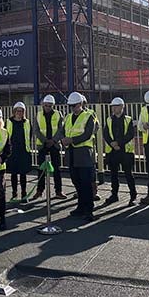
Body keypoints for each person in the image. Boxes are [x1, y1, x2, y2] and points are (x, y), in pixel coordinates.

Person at [60, 92, 97, 221]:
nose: (72, 108)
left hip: (84, 154)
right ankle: (80, 207)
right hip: (72, 155)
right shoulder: (68, 117)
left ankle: (89, 210)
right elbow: (62, 131)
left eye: (74, 105)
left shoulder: (89, 116)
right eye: (70, 106)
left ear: (80, 104)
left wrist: (71, 140)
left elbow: (87, 134)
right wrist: (63, 140)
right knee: (76, 182)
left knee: (86, 184)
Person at [102, 97, 137, 206]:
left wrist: (118, 143)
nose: (114, 108)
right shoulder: (109, 120)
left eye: (116, 106)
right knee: (113, 175)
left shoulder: (128, 119)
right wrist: (112, 143)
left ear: (122, 107)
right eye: (113, 106)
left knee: (128, 174)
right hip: (113, 152)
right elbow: (106, 134)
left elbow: (130, 134)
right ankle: (114, 194)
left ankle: (133, 195)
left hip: (125, 151)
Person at [32, 95, 67, 200]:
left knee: (56, 168)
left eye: (49, 105)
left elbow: (61, 129)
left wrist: (53, 140)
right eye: (46, 105)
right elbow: (36, 130)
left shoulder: (58, 114)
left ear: (53, 105)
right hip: (43, 146)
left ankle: (58, 191)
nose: (47, 107)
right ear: (43, 104)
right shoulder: (38, 115)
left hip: (54, 145)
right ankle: (39, 190)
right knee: (41, 169)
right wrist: (45, 140)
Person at [6, 102, 32, 202]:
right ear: (14, 111)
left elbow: (29, 135)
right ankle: (14, 193)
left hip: (23, 151)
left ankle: (24, 194)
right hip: (12, 151)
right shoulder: (9, 121)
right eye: (17, 111)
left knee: (23, 174)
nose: (19, 113)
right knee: (13, 174)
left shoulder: (27, 122)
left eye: (21, 111)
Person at [82, 95, 101, 202]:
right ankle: (82, 192)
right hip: (78, 148)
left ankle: (94, 191)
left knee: (91, 170)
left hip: (89, 147)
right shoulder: (72, 115)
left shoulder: (90, 113)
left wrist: (88, 133)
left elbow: (96, 126)